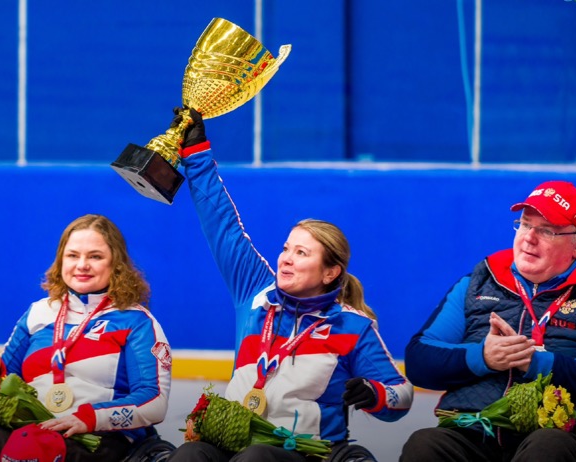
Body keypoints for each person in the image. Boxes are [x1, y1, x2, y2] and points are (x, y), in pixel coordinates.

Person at [166, 109, 413, 462]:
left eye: (301, 253)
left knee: (257, 458)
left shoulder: (352, 326)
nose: (286, 259)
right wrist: (195, 153)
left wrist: (375, 394)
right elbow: (223, 225)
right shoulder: (255, 292)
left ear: (330, 273)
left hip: (303, 452)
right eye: (285, 249)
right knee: (189, 455)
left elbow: (401, 394)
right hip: (234, 440)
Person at [401, 180, 576, 461]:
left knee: (547, 449)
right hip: (474, 432)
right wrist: (483, 357)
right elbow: (419, 361)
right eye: (525, 225)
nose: (529, 238)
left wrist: (537, 363)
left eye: (546, 230)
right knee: (425, 445)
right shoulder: (478, 282)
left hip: (559, 436)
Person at [0, 214, 172, 462]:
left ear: (116, 264)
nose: (82, 265)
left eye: (95, 256)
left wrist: (90, 418)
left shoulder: (136, 321)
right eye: (73, 255)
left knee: (41, 449)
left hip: (99, 436)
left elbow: (154, 401)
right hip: (34, 429)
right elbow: (8, 383)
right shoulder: (38, 313)